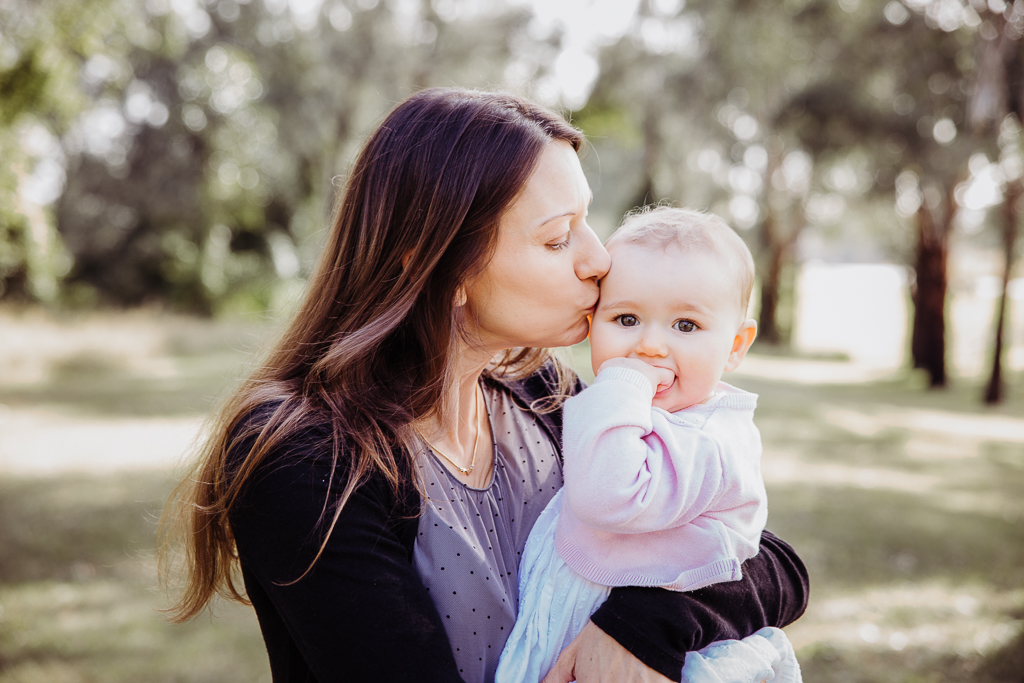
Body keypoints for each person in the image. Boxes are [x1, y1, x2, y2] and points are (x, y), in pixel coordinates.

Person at [159, 87, 809, 683]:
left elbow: (767, 559)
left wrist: (641, 631)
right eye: (558, 239)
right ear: (444, 265)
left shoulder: (538, 387)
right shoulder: (306, 459)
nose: (599, 258)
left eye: (588, 221)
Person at [495, 207, 801, 683]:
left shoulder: (708, 440)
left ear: (736, 346)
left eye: (685, 326)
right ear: (593, 322)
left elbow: (608, 496)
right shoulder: (640, 416)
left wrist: (619, 383)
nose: (650, 346)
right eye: (627, 318)